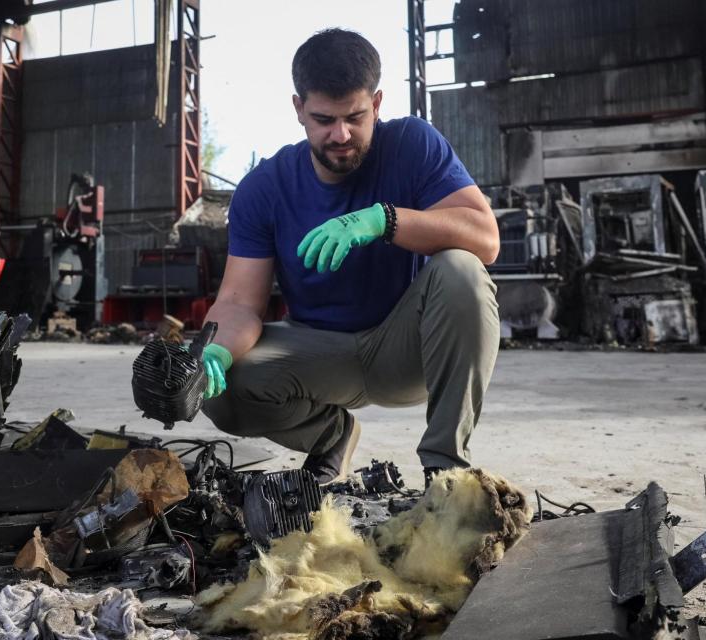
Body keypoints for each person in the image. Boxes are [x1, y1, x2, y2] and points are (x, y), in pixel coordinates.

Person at [200, 28, 500, 486]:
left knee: (462, 270)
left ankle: (446, 470)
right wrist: (216, 349)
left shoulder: (412, 144)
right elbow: (240, 302)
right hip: (321, 356)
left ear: (376, 104)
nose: (340, 134)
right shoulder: (264, 188)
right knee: (216, 388)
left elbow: (486, 238)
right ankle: (331, 439)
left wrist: (385, 220)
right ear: (299, 108)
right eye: (323, 119)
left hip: (408, 350)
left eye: (355, 117)